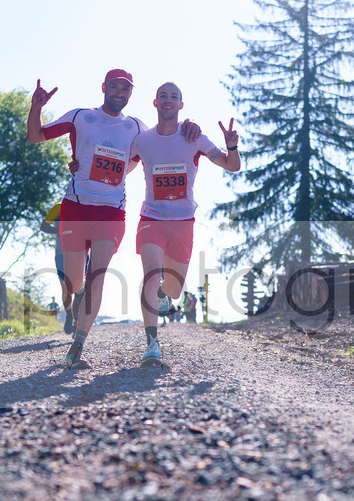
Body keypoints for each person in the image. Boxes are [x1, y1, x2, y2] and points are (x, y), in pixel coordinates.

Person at [28, 70, 199, 369]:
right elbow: (35, 135)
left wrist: (189, 126)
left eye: (126, 88)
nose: (120, 92)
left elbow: (156, 145)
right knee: (73, 282)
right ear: (104, 87)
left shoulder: (134, 126)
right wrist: (36, 109)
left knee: (98, 274)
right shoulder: (80, 116)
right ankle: (75, 296)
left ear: (131, 93)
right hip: (76, 208)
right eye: (115, 87)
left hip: (111, 211)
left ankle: (76, 348)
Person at [132, 81, 240, 366]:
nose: (168, 100)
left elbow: (231, 165)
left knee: (174, 290)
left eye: (174, 97)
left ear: (181, 105)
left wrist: (232, 146)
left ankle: (163, 296)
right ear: (154, 103)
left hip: (183, 223)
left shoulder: (195, 138)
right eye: (163, 96)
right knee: (152, 273)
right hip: (150, 219)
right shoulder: (142, 140)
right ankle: (151, 344)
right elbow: (119, 166)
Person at [39, 200, 85, 335]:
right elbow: (44, 226)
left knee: (80, 289)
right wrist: (60, 231)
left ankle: (77, 321)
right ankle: (69, 315)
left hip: (81, 252)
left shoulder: (86, 206)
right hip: (61, 254)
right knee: (66, 288)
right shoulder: (58, 207)